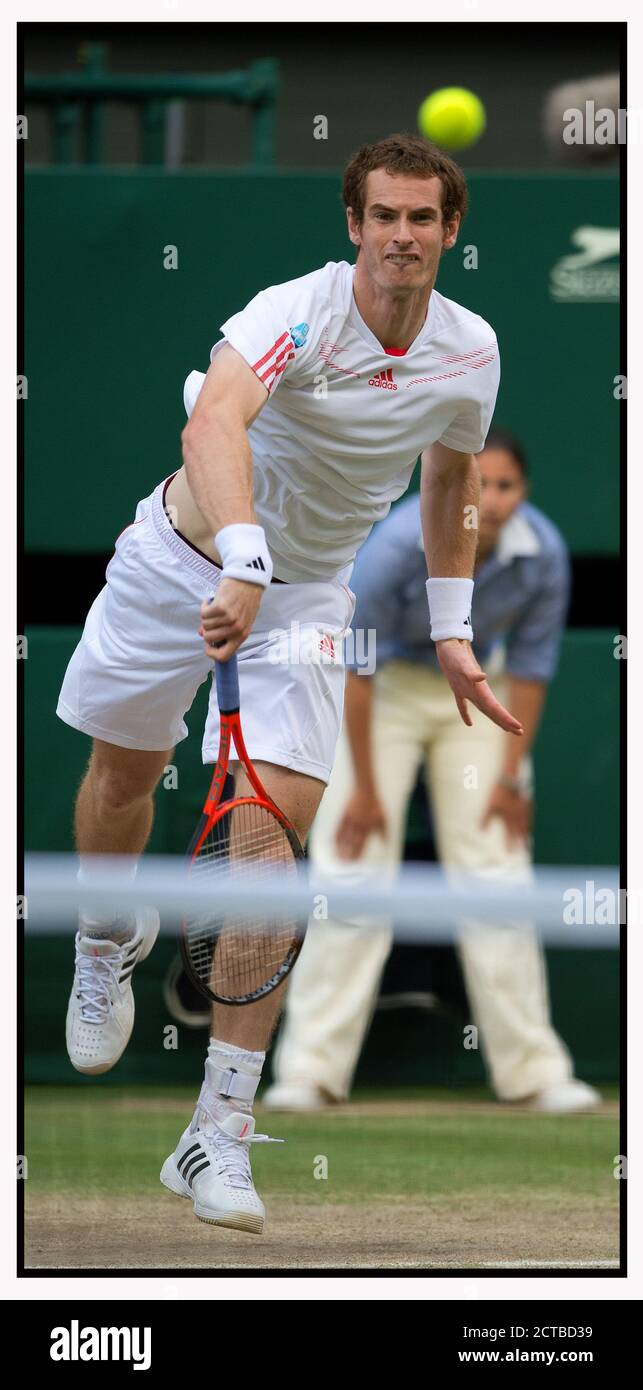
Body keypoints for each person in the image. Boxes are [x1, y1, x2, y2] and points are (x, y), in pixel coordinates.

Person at [56, 133, 521, 1236]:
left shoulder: (470, 352)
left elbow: (450, 478)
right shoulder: (294, 314)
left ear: (450, 231)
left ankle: (215, 1131)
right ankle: (103, 937)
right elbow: (212, 422)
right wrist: (243, 558)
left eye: (423, 218)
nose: (402, 236)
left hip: (306, 605)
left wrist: (451, 629)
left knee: (271, 843)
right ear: (353, 225)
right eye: (384, 217)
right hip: (180, 560)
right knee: (123, 779)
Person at [263, 430, 600, 1115]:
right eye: (482, 487)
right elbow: (353, 669)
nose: (492, 502)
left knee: (495, 868)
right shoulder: (391, 550)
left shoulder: (544, 558)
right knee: (351, 868)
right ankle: (310, 1071)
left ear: (523, 491)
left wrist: (508, 781)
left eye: (506, 486)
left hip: (476, 692)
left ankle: (532, 1071)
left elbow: (530, 674)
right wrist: (359, 789)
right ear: (448, 487)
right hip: (379, 694)